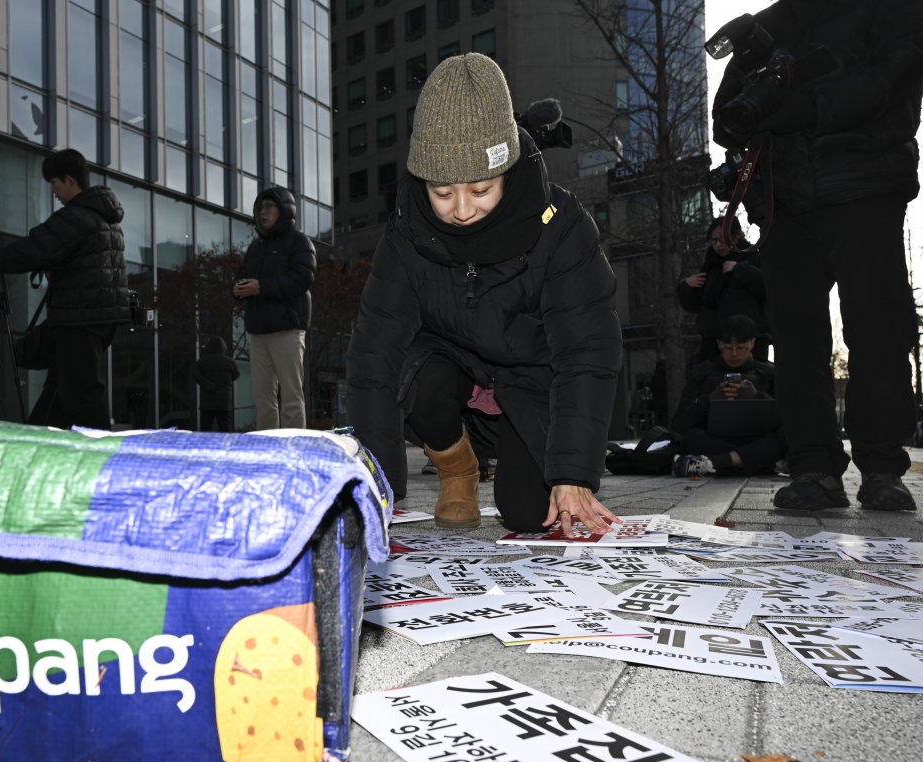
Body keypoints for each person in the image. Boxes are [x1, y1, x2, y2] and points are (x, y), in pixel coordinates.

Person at [346, 54, 623, 535]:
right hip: (450, 370)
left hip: (530, 380)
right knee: (418, 377)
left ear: (507, 171)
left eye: (480, 189)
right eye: (442, 191)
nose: (461, 210)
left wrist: (573, 472)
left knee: (527, 515)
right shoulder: (405, 236)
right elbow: (374, 355)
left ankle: (516, 460)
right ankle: (458, 469)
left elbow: (587, 348)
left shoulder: (561, 226)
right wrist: (378, 487)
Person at [712, 2, 923, 511]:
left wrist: (807, 106)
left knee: (878, 329)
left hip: (864, 189)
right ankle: (812, 466)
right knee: (796, 340)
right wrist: (746, 69)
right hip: (786, 204)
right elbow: (728, 119)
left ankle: (880, 464)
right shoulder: (768, 23)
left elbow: (892, 80)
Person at [0, 148, 129, 430]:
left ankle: (103, 456)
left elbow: (34, 249)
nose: (53, 191)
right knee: (62, 388)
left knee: (82, 392)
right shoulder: (106, 218)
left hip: (81, 318)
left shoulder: (76, 216)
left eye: (55, 183)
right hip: (99, 316)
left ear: (70, 180)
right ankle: (38, 442)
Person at [233, 187, 316, 430]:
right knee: (262, 397)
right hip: (259, 332)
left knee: (291, 396)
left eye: (269, 206)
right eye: (260, 208)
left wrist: (261, 287)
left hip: (287, 329)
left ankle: (294, 447)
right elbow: (240, 276)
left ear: (284, 209)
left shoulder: (299, 241)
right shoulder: (255, 247)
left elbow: (303, 278)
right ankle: (267, 448)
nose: (263, 212)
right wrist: (237, 289)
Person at [671, 315, 786, 477]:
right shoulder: (701, 374)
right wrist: (709, 401)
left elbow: (785, 419)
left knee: (785, 436)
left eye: (741, 348)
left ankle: (715, 463)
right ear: (718, 344)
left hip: (757, 439)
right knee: (692, 438)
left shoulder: (769, 374)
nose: (734, 354)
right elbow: (680, 425)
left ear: (752, 344)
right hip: (718, 441)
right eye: (727, 347)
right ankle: (757, 462)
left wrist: (757, 397)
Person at [677, 217, 770, 363]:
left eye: (723, 238)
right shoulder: (710, 266)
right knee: (710, 382)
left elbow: (768, 290)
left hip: (750, 339)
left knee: (753, 381)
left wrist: (740, 270)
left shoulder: (754, 258)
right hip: (714, 340)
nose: (718, 245)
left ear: (737, 235)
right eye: (713, 240)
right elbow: (696, 306)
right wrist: (686, 286)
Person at [192, 336, 239, 431]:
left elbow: (196, 375)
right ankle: (225, 445)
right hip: (224, 399)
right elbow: (236, 375)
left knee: (206, 426)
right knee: (225, 425)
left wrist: (208, 385)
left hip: (207, 398)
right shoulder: (230, 362)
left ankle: (206, 445)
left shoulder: (202, 362)